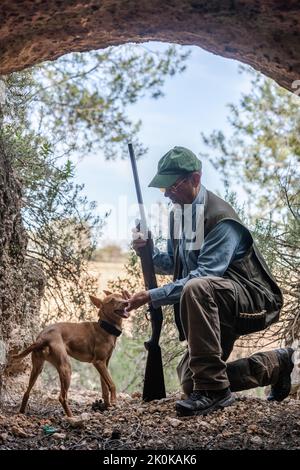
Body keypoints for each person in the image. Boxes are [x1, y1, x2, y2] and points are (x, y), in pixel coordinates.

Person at [126, 146, 294, 416]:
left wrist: (152, 295)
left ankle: (215, 392)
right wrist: (147, 252)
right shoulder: (178, 215)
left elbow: (204, 277)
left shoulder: (220, 219)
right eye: (163, 189)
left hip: (252, 300)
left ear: (195, 179)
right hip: (214, 301)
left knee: (197, 286)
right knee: (191, 383)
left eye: (172, 186)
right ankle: (275, 363)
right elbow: (175, 263)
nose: (167, 193)